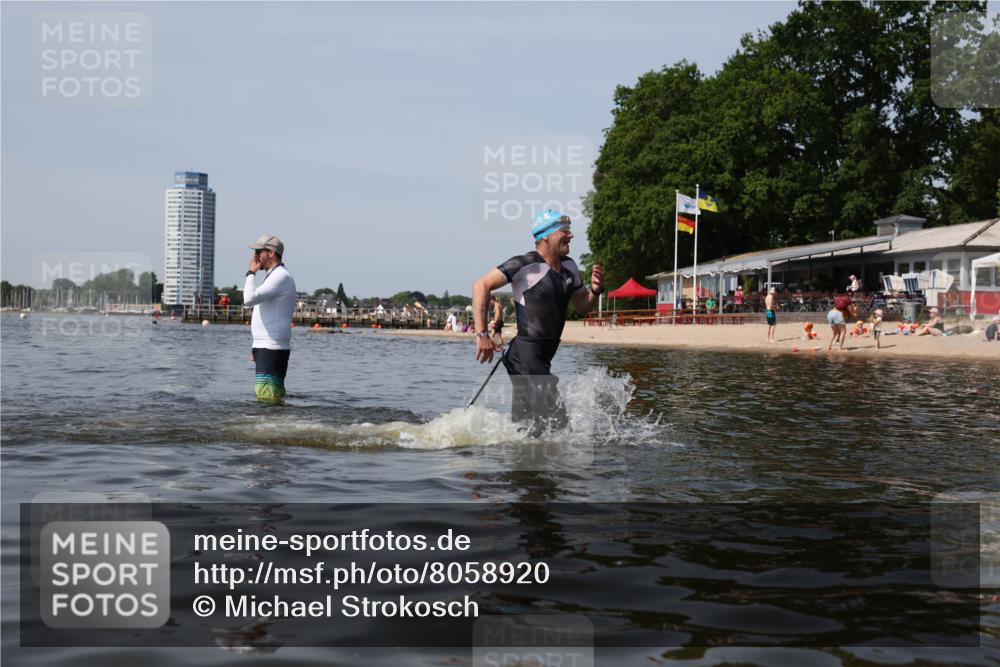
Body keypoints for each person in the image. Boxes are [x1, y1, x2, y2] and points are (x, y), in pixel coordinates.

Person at [472, 209, 603, 435]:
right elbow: (480, 285)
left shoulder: (570, 266)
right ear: (545, 236)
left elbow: (582, 305)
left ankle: (518, 464)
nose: (571, 236)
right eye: (565, 231)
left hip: (541, 355)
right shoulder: (525, 265)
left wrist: (595, 291)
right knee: (560, 426)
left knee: (527, 429)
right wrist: (482, 335)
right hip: (526, 354)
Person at [244, 234, 297, 402]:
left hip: (271, 347)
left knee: (267, 397)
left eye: (259, 251)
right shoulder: (274, 276)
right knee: (271, 396)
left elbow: (249, 299)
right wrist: (256, 347)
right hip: (267, 347)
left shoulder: (280, 276)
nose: (256, 256)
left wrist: (250, 273)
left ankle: (270, 426)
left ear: (271, 253)